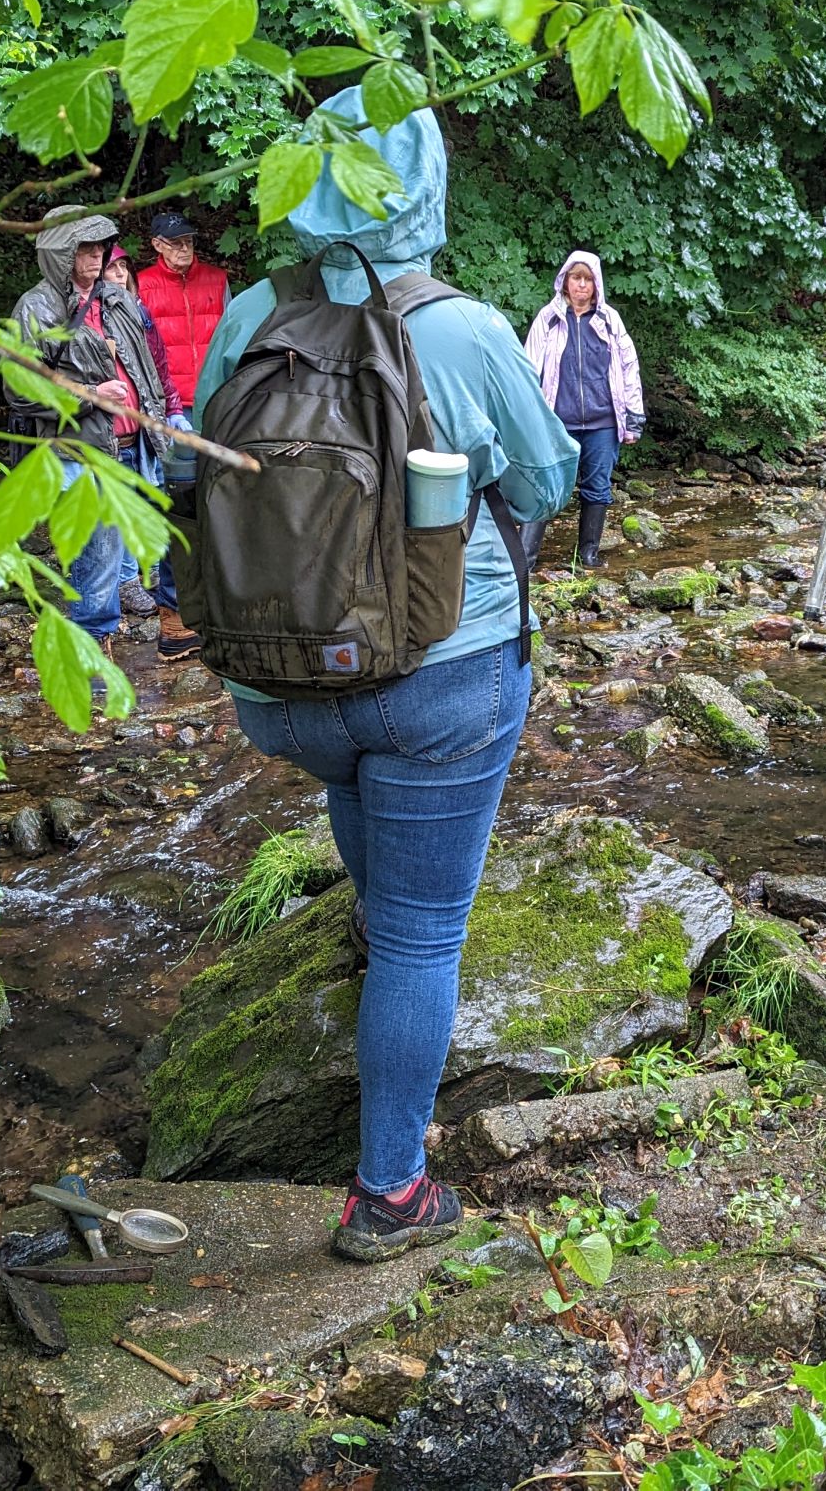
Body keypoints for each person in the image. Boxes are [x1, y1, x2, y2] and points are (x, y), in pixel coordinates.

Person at [194, 85, 578, 1263]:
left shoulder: (251, 312)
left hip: (282, 690)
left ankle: (371, 932)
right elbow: (550, 481)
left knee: (360, 790)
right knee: (423, 936)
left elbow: (203, 468)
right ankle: (391, 1191)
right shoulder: (460, 329)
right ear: (425, 180)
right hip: (439, 678)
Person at [8, 209, 168, 647]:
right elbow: (21, 390)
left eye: (101, 246)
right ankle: (90, 651)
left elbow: (147, 368)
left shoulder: (116, 299)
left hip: (136, 444)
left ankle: (125, 638)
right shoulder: (37, 308)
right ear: (62, 253)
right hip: (83, 450)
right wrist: (91, 394)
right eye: (84, 247)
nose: (97, 254)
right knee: (95, 555)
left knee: (131, 546)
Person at [136, 211, 229, 655]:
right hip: (170, 407)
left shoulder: (217, 280)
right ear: (156, 245)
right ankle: (173, 616)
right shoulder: (141, 286)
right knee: (176, 505)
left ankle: (217, 601)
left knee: (221, 500)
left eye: (188, 241)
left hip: (217, 400)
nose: (183, 249)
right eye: (174, 243)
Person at [521, 249, 643, 569]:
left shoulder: (609, 320)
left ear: (596, 284)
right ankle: (526, 559)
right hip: (557, 421)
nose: (582, 285)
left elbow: (628, 367)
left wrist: (633, 420)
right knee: (545, 485)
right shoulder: (547, 319)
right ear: (565, 282)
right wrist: (526, 418)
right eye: (576, 278)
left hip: (603, 421)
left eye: (588, 279)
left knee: (598, 486)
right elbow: (528, 369)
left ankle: (587, 554)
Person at [96, 244, 173, 623]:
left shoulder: (137, 312)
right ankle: (126, 582)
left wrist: (169, 409)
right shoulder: (86, 318)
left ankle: (150, 570)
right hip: (108, 433)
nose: (119, 275)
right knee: (120, 508)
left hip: (141, 427)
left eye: (123, 267)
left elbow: (157, 364)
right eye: (112, 269)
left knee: (151, 497)